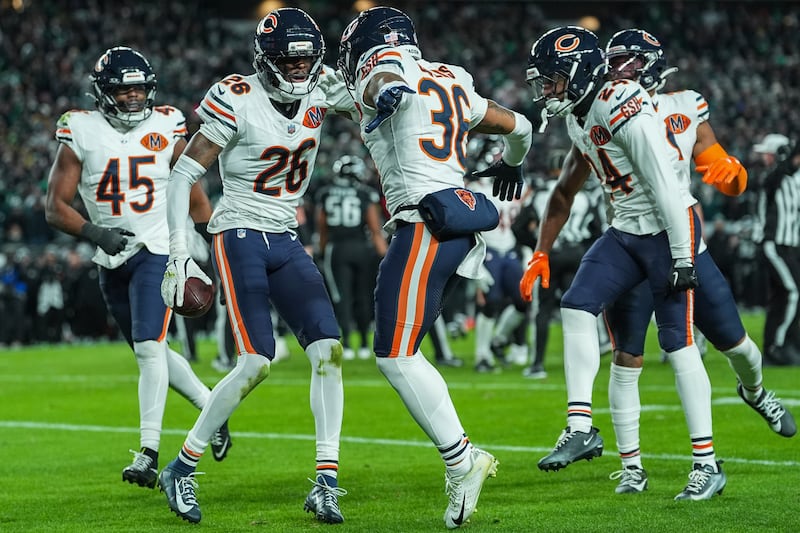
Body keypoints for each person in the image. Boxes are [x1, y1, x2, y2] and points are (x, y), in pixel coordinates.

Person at [157, 8, 356, 524]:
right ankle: (182, 466)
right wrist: (180, 251)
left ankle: (327, 481)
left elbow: (374, 99)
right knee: (256, 362)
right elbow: (182, 176)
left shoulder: (324, 86)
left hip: (285, 234)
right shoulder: (237, 96)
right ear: (265, 60)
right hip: (239, 230)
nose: (298, 69)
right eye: (288, 60)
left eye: (306, 59)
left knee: (330, 351)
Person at [337, 6, 532, 528]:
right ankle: (462, 458)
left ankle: (463, 460)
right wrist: (512, 161)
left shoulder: (379, 65)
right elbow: (522, 126)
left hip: (424, 220)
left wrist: (383, 91)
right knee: (403, 351)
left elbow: (384, 73)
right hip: (454, 221)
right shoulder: (454, 78)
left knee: (395, 356)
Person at [520, 26, 726, 501]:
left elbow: (666, 187)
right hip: (626, 232)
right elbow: (563, 192)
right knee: (574, 307)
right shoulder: (579, 111)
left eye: (552, 80)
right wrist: (541, 251)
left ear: (577, 73)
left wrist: (681, 256)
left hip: (665, 230)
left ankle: (706, 463)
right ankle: (579, 426)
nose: (546, 90)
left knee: (678, 346)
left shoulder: (621, 104)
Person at [599, 29, 797, 496]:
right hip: (632, 242)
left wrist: (731, 174)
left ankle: (755, 392)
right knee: (630, 354)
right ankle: (634, 468)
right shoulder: (600, 106)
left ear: (647, 63)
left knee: (739, 347)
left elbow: (714, 162)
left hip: (686, 245)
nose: (615, 69)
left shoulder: (684, 103)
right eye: (613, 60)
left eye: (625, 61)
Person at [44, 46, 231, 490]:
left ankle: (148, 453)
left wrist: (212, 246)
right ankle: (214, 410)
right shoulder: (80, 129)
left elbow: (194, 191)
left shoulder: (167, 124)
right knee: (155, 353)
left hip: (158, 246)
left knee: (150, 348)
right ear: (104, 93)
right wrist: (100, 235)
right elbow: (55, 207)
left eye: (138, 88)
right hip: (111, 256)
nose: (132, 97)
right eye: (123, 89)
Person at [315, 155, 387, 360]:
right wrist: (384, 254)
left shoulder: (326, 193)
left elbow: (322, 228)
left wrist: (321, 251)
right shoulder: (365, 193)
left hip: (336, 249)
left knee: (341, 297)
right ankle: (364, 342)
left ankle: (346, 342)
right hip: (361, 248)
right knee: (363, 295)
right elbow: (374, 228)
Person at [753, 133, 800, 365]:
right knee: (792, 291)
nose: (764, 158)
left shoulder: (789, 178)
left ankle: (782, 344)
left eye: (767, 154)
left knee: (781, 298)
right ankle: (777, 347)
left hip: (789, 246)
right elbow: (785, 169)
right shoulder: (775, 177)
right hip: (774, 244)